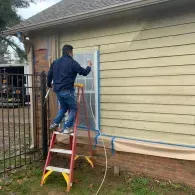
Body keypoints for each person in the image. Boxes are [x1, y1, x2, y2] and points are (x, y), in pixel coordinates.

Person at [47, 44, 92, 134]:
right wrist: (89, 66)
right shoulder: (72, 63)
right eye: (72, 53)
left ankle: (55, 123)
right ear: (70, 52)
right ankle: (67, 128)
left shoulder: (55, 62)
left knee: (63, 107)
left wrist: (49, 85)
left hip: (58, 91)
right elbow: (84, 72)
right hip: (67, 90)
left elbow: (49, 74)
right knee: (73, 108)